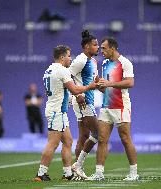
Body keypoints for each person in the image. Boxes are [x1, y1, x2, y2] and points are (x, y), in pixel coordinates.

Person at [34, 45, 97, 182]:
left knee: (68, 141)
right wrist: (89, 87)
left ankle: (68, 174)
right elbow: (74, 89)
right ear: (62, 57)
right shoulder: (62, 70)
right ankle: (41, 174)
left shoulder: (49, 70)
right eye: (69, 55)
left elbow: (59, 91)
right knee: (53, 143)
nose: (70, 58)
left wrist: (75, 97)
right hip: (56, 112)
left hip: (59, 111)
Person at [87, 37, 139, 181]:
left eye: (104, 48)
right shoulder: (104, 63)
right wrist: (100, 86)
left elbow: (130, 82)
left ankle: (134, 173)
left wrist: (109, 83)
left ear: (113, 48)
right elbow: (107, 87)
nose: (101, 50)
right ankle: (99, 174)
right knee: (102, 139)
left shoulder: (125, 63)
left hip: (121, 106)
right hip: (106, 106)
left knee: (125, 139)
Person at [69, 30, 100, 179]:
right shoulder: (80, 59)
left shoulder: (93, 61)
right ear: (87, 46)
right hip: (82, 101)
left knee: (83, 136)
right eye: (95, 45)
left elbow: (91, 80)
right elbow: (67, 77)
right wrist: (78, 94)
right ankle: (77, 165)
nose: (98, 47)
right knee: (98, 133)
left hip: (89, 99)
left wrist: (100, 84)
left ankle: (76, 173)